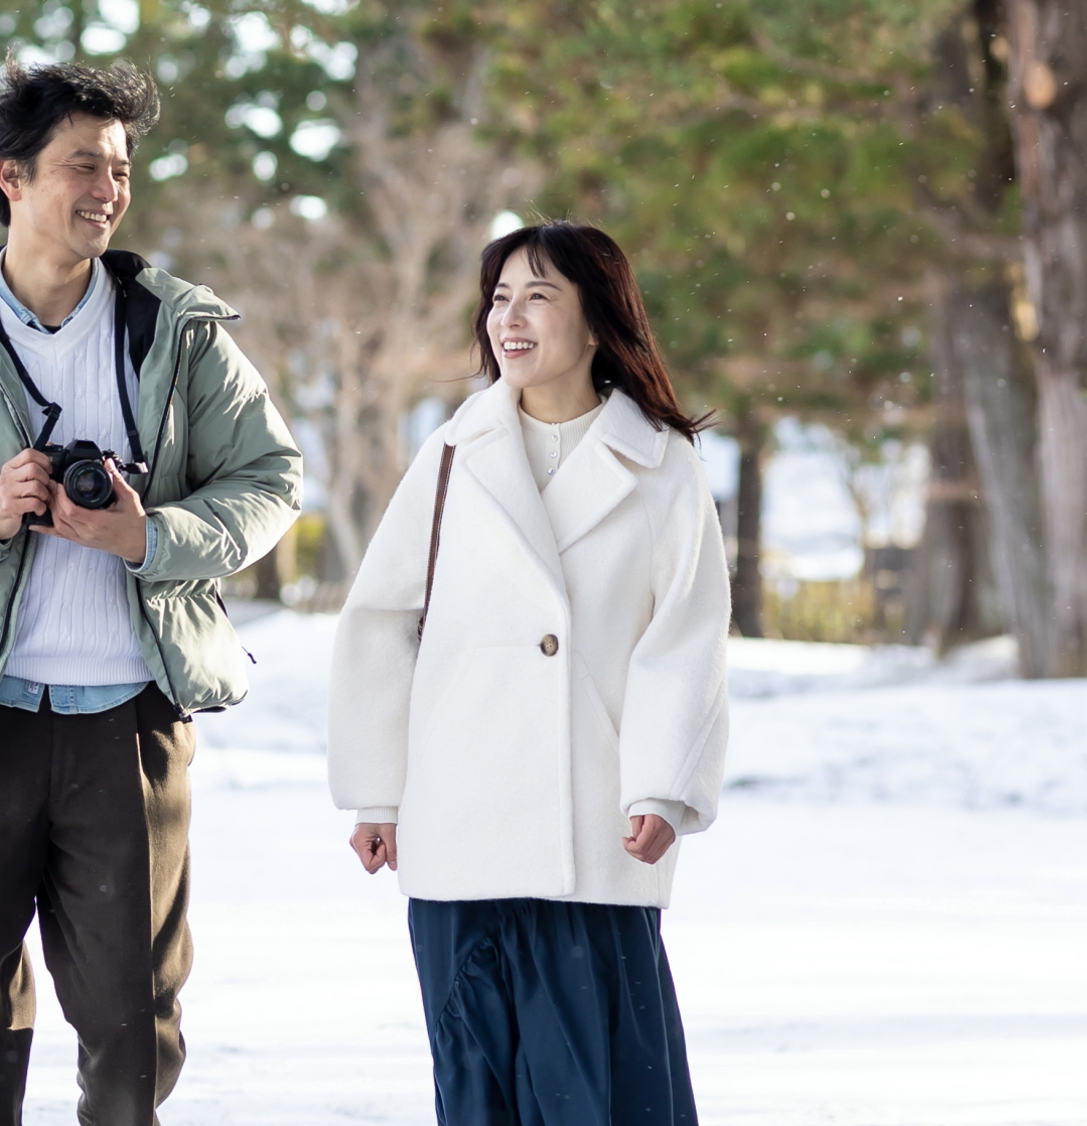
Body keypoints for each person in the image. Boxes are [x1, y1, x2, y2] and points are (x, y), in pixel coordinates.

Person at [0, 60, 302, 1126]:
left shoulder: (177, 332)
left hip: (129, 722)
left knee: (132, 1021)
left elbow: (272, 482)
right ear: (12, 177)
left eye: (121, 168)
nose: (109, 188)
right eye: (84, 163)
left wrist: (148, 534)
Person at [328, 221, 729, 1125]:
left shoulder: (662, 465)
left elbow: (686, 637)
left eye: (539, 297)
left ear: (597, 324)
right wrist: (378, 798)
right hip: (459, 828)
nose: (510, 318)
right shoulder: (451, 454)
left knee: (604, 1094)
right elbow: (382, 624)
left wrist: (663, 788)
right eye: (500, 298)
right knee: (479, 1091)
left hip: (594, 833)